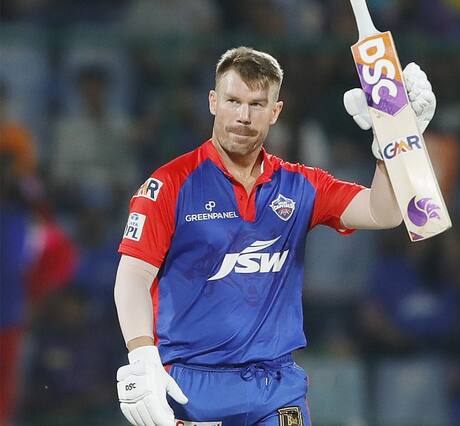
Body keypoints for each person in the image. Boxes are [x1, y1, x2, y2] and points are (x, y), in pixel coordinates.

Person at [114, 46, 436, 426]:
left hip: (276, 388)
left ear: (275, 111)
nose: (243, 116)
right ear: (213, 102)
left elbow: (384, 213)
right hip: (190, 386)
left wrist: (394, 146)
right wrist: (142, 355)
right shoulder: (170, 184)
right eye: (233, 101)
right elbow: (133, 277)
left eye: (256, 104)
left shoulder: (300, 185)